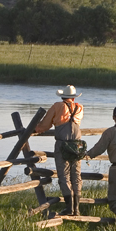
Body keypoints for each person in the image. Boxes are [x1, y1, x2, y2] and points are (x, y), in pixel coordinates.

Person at [35, 85, 84, 216]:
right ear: (73, 97)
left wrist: (35, 129)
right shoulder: (79, 108)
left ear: (62, 96)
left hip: (63, 144)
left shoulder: (57, 106)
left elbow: (44, 125)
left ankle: (69, 207)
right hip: (77, 145)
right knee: (76, 176)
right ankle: (77, 209)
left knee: (64, 176)